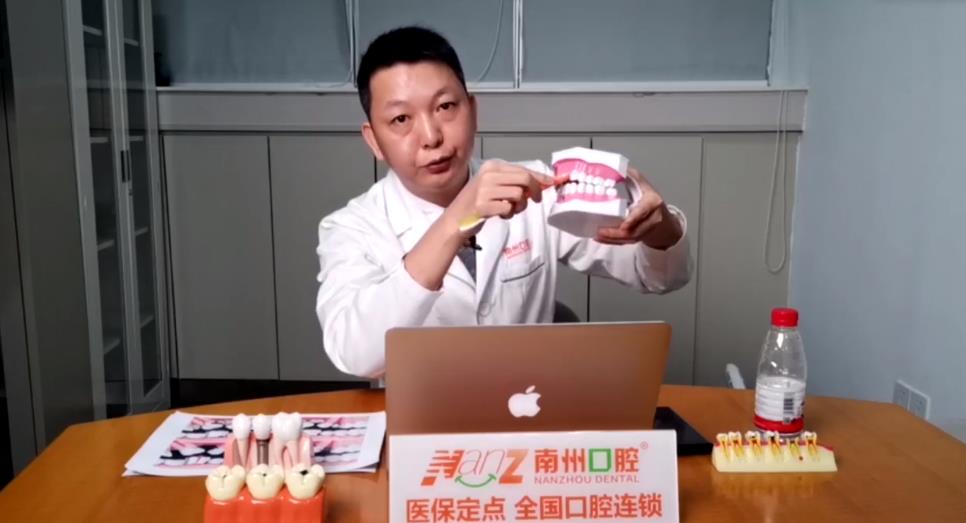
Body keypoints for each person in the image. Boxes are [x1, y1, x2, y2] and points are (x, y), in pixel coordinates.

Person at [316, 26, 692, 379]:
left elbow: (659, 277)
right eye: (401, 118)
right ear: (374, 141)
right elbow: (355, 354)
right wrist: (455, 222)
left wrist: (660, 227)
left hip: (532, 405)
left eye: (445, 107)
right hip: (424, 420)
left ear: (473, 111)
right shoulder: (351, 227)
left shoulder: (535, 186)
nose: (431, 136)